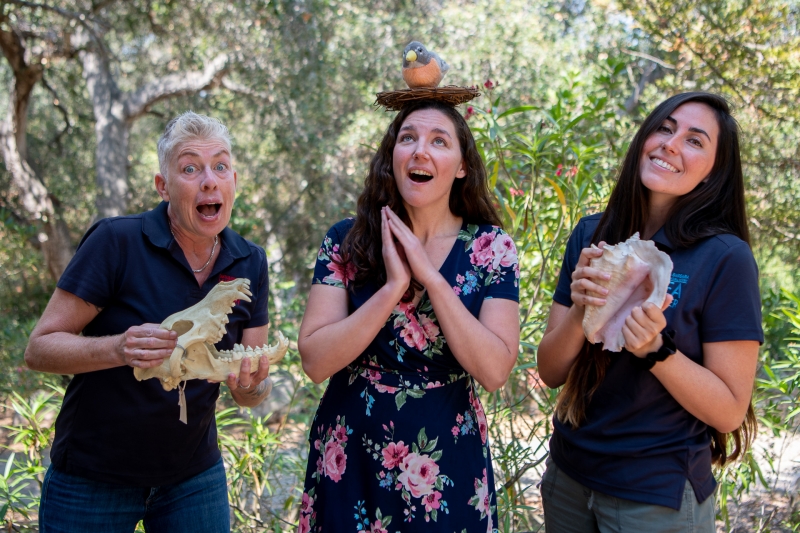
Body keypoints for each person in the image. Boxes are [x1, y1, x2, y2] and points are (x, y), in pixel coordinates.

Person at [25, 112, 273, 533]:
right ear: (163, 187)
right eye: (190, 168)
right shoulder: (115, 241)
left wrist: (251, 387)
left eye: (220, 166)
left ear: (234, 180)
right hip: (91, 479)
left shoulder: (250, 261)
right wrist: (117, 348)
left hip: (194, 479)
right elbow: (39, 349)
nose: (209, 180)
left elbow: (251, 387)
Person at [537, 92, 763, 532]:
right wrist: (582, 309)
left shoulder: (726, 258)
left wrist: (657, 351)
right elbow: (550, 370)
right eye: (665, 127)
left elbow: (730, 411)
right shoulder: (591, 233)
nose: (672, 144)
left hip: (655, 495)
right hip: (568, 478)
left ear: (714, 172)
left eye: (695, 141)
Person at [296, 98, 520, 532]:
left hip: (447, 458)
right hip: (351, 455)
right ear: (392, 158)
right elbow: (315, 360)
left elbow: (494, 371)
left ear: (461, 167)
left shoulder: (492, 248)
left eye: (439, 141)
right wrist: (394, 287)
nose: (420, 151)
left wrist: (431, 279)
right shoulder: (346, 239)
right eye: (408, 139)